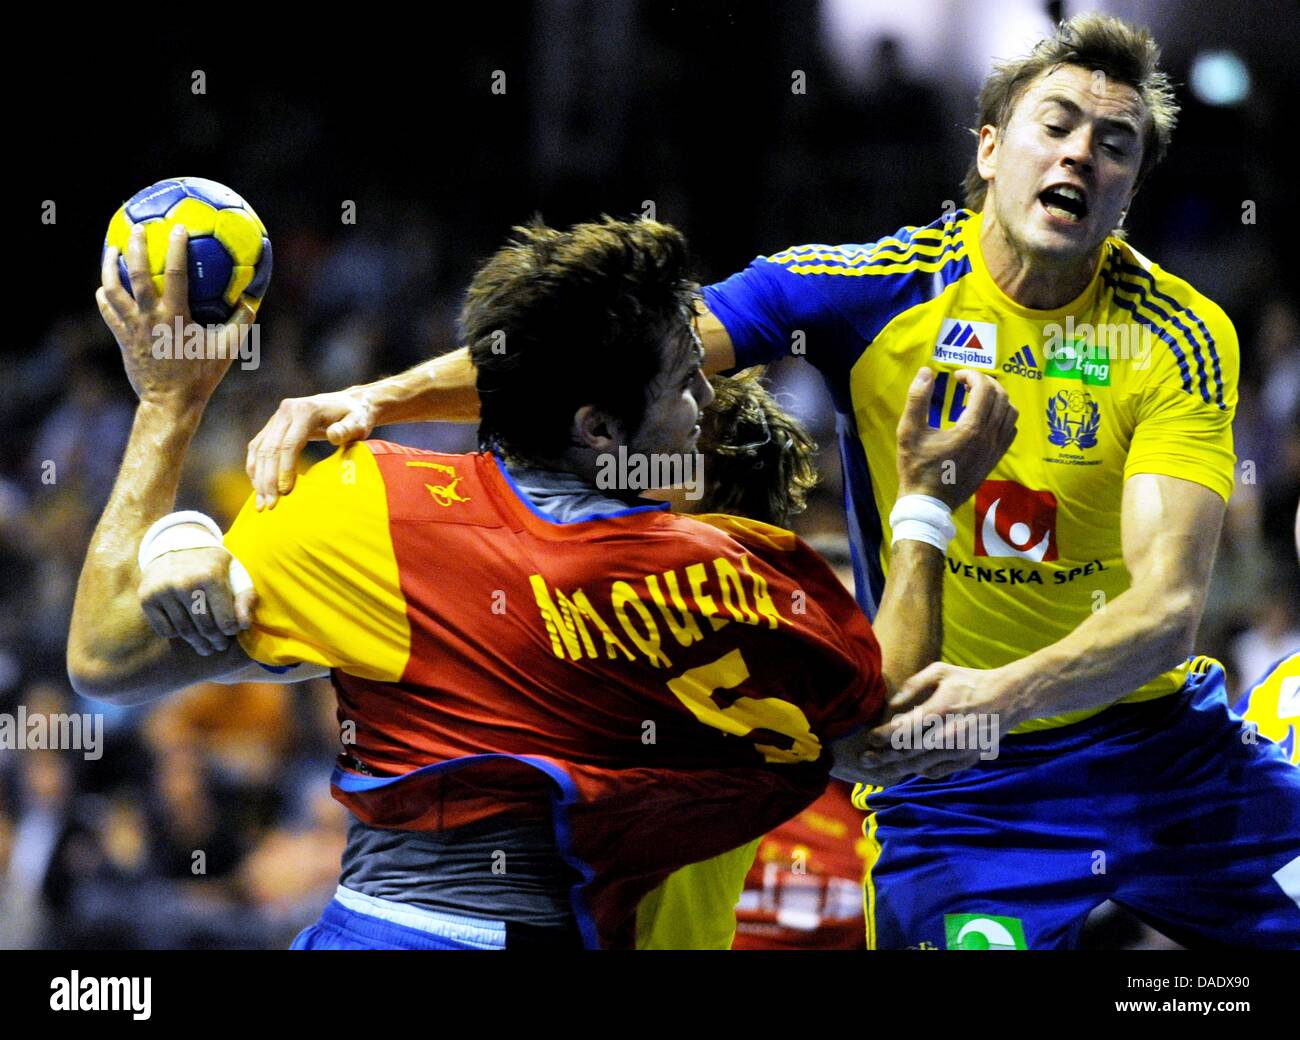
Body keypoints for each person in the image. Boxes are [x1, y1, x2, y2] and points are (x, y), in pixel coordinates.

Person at [237, 14, 1300, 949]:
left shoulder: (1176, 337)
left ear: (1130, 186)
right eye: (1056, 123)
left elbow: (1166, 610)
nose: (1080, 153)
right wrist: (381, 397)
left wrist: (1002, 692)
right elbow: (605, 348)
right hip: (962, 793)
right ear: (988, 149)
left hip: (1165, 756)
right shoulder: (868, 288)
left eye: (1114, 146)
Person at [67, 215, 1015, 949]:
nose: (700, 399)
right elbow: (887, 730)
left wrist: (171, 413)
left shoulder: (366, 501)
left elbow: (103, 659)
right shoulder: (725, 580)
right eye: (685, 378)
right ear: (600, 429)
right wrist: (928, 499)